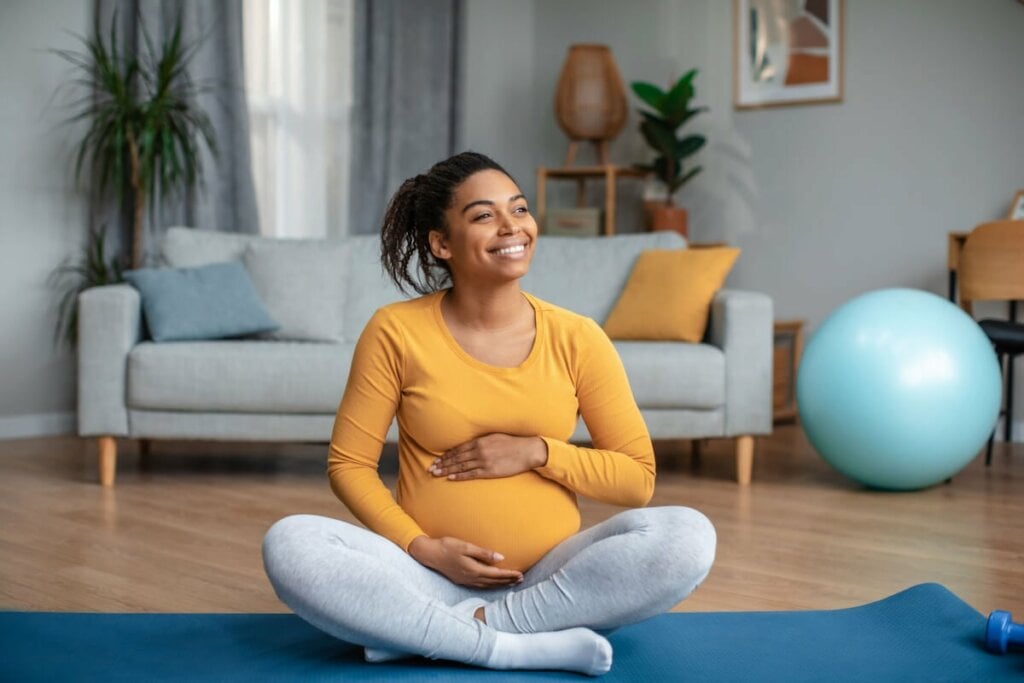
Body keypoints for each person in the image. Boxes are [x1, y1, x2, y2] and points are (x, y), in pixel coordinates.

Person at [262, 151, 716, 676]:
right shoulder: (396, 331)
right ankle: (507, 645)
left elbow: (637, 480)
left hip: (552, 579)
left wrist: (537, 452)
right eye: (484, 215)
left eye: (519, 209)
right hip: (423, 571)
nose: (512, 227)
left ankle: (443, 629)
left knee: (687, 536)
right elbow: (349, 466)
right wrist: (422, 547)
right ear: (441, 243)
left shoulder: (578, 337)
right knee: (292, 542)